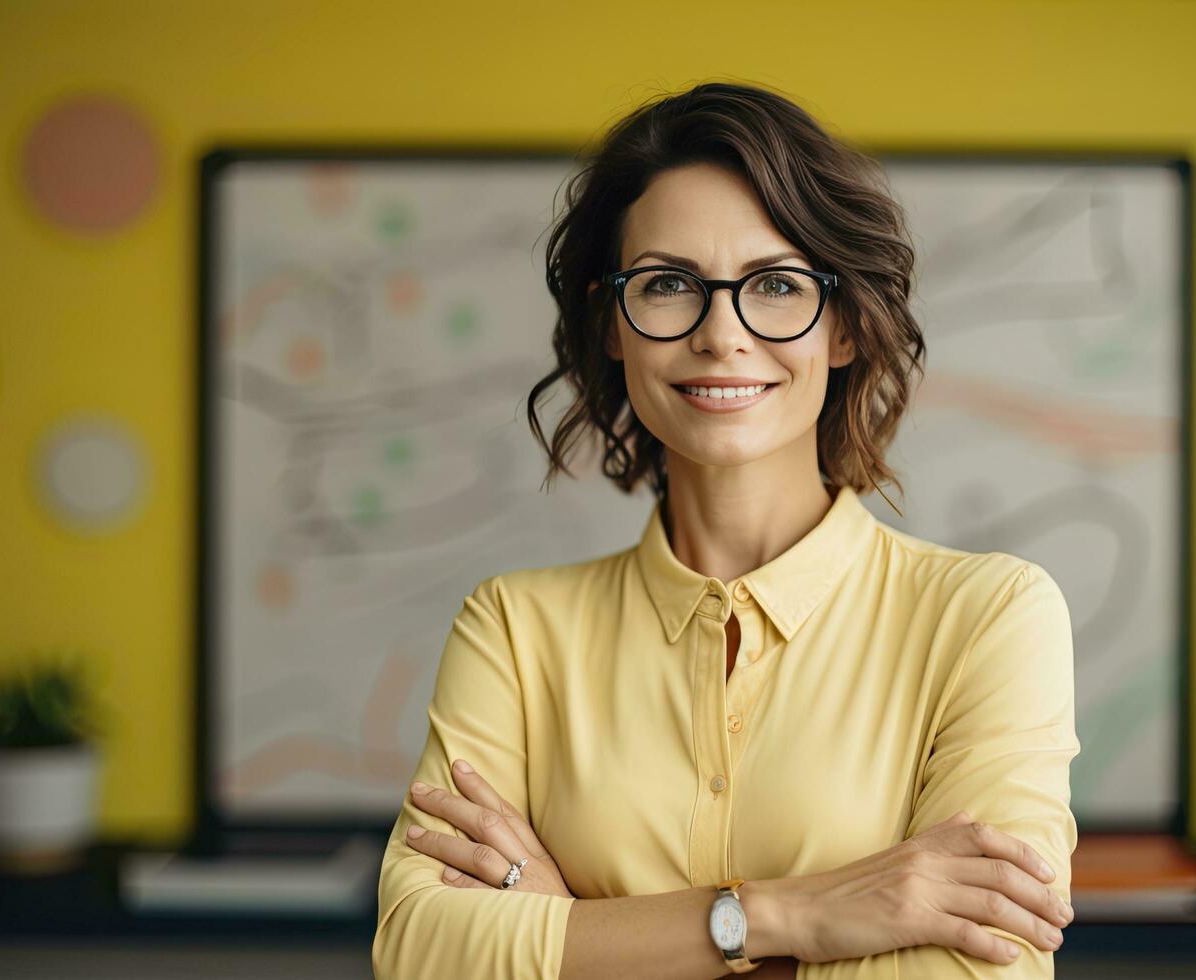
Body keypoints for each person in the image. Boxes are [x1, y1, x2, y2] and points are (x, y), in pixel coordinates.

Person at [371, 80, 1079, 979]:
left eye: (776, 285)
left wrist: (571, 931)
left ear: (845, 326)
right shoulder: (514, 631)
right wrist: (786, 917)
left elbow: (979, 970)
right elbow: (419, 953)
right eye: (668, 284)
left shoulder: (990, 616)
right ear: (613, 325)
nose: (720, 334)